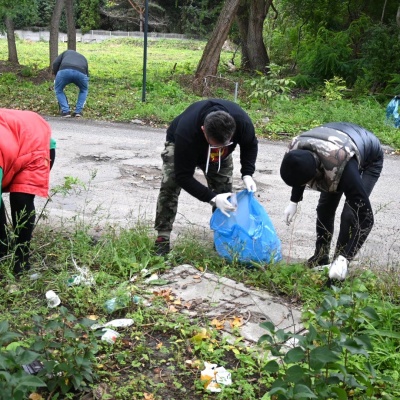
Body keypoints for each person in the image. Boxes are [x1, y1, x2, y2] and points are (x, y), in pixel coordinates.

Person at [280, 122, 383, 281]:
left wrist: (345, 258)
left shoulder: (339, 163)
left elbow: (366, 218)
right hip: (337, 143)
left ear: (316, 172)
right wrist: (294, 200)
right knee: (324, 208)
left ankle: (338, 266)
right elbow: (299, 172)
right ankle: (320, 257)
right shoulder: (295, 150)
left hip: (369, 157)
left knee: (350, 214)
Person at [154, 99, 258, 256]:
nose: (222, 147)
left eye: (226, 143)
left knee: (224, 192)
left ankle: (223, 239)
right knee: (170, 183)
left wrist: (248, 174)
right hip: (181, 145)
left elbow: (250, 144)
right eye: (218, 144)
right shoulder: (187, 131)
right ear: (203, 130)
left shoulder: (241, 121)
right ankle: (163, 237)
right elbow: (183, 176)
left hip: (217, 147)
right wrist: (212, 198)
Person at [0, 108, 56, 276]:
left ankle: (21, 260)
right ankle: (5, 247)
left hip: (34, 142)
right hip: (11, 134)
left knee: (21, 200)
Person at [52, 50, 89, 118]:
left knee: (58, 89)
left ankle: (65, 111)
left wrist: (56, 74)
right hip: (81, 72)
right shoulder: (83, 57)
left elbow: (55, 63)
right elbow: (86, 72)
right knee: (84, 90)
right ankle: (78, 112)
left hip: (64, 71)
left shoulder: (66, 53)